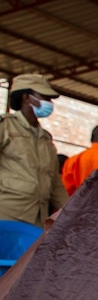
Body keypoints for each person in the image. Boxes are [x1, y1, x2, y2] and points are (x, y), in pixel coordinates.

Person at [0, 74, 68, 227]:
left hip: (37, 219)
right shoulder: (5, 127)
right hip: (7, 216)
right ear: (26, 97)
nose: (49, 103)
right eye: (44, 97)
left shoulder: (45, 138)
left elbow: (55, 184)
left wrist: (70, 211)